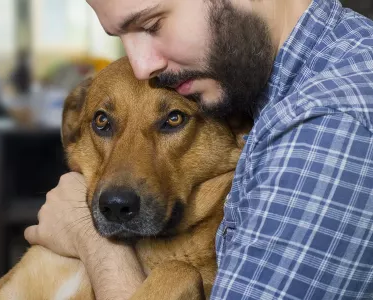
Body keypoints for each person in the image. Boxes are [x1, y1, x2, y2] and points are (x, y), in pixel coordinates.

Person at [25, 0, 373, 298]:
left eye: (152, 24)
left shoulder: (326, 125)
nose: (141, 67)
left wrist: (92, 243)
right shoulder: (279, 85)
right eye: (121, 38)